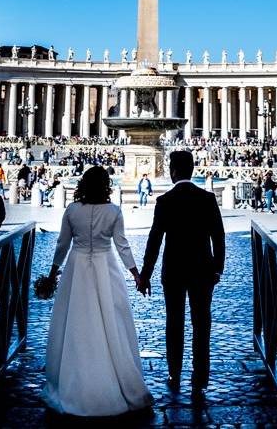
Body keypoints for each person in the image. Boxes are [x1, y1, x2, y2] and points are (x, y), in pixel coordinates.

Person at [43, 166, 154, 416]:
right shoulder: (113, 211)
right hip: (106, 267)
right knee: (110, 323)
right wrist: (136, 274)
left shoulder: (72, 210)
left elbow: (62, 244)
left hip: (76, 268)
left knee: (76, 322)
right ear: (106, 185)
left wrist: (53, 271)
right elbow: (122, 245)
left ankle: (75, 380)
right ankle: (113, 378)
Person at [138, 150, 225, 403]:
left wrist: (146, 274)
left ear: (173, 171)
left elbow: (155, 240)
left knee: (174, 323)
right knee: (202, 324)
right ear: (192, 169)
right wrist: (218, 268)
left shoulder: (165, 201)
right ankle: (200, 378)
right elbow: (218, 236)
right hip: (203, 271)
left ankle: (174, 374)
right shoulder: (207, 198)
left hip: (173, 271)